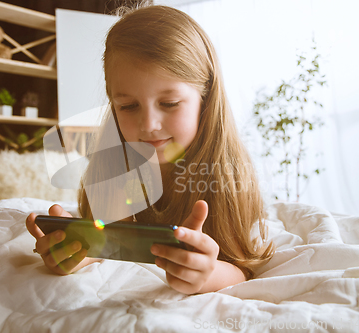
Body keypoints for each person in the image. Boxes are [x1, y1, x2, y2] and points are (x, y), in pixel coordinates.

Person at [26, 4, 274, 295]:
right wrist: (79, 249)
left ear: (205, 99)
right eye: (128, 106)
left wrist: (208, 273)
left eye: (169, 103)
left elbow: (242, 269)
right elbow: (115, 240)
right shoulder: (118, 164)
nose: (149, 124)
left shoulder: (226, 176)